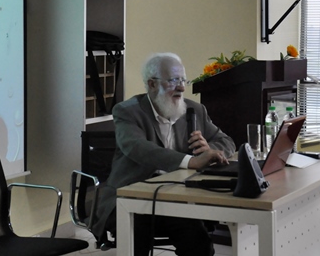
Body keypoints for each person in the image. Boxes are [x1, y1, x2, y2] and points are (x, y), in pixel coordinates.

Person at [92, 52, 236, 256]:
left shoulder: (194, 110)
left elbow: (227, 141)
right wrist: (192, 161)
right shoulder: (127, 111)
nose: (182, 87)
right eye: (173, 80)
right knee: (137, 232)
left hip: (175, 199)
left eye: (183, 80)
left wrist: (210, 150)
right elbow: (137, 147)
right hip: (128, 197)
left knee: (199, 243)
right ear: (152, 84)